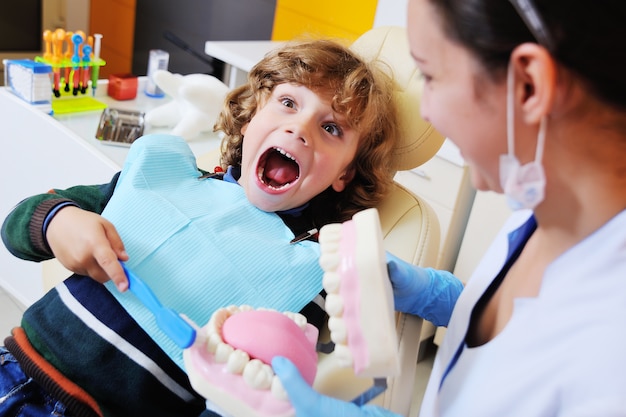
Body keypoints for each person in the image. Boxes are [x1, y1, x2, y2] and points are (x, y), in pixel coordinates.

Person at [0, 39, 401, 417]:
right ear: (250, 118)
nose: (300, 129)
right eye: (287, 102)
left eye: (331, 128)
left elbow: (251, 397)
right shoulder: (161, 173)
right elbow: (18, 224)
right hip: (14, 368)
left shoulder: (313, 270)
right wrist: (58, 222)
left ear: (344, 174)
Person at [271, 0, 626, 416]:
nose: (425, 111)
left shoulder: (611, 358)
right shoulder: (541, 208)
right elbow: (521, 335)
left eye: (431, 76)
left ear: (528, 85)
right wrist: (437, 296)